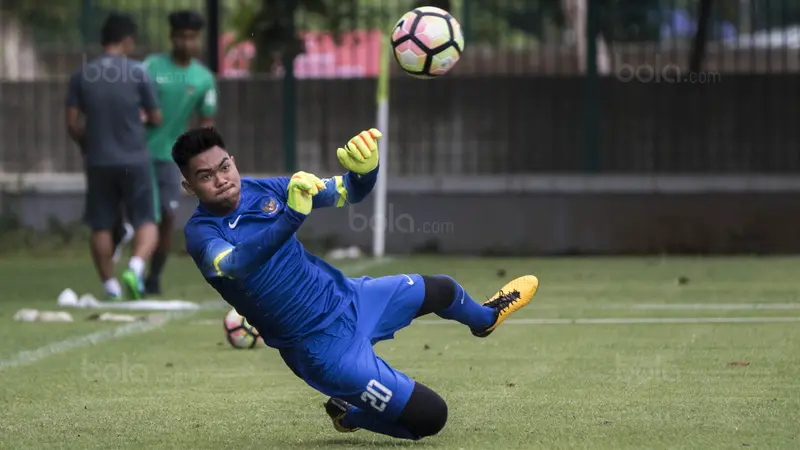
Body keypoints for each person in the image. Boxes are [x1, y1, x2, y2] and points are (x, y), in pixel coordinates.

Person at [177, 127, 539, 441]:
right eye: (206, 175)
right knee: (431, 417)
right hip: (323, 349)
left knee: (440, 288)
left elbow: (349, 191)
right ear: (188, 185)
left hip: (350, 298)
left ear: (234, 161)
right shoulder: (201, 234)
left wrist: (366, 171)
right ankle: (348, 414)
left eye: (225, 167)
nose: (221, 179)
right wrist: (290, 217)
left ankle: (485, 318)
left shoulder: (264, 189)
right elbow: (237, 265)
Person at [65, 12, 162, 301]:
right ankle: (136, 265)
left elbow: (71, 123)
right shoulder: (137, 72)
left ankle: (110, 287)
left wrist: (88, 143)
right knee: (146, 219)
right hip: (134, 158)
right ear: (128, 40)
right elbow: (156, 117)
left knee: (101, 223)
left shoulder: (82, 75)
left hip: (98, 160)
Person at [137, 9, 217, 295]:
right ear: (172, 37)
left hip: (170, 158)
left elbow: (206, 125)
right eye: (181, 37)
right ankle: (126, 268)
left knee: (168, 217)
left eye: (192, 37)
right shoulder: (150, 67)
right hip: (136, 154)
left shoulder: (204, 78)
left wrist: (202, 160)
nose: (186, 43)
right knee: (138, 216)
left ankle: (153, 275)